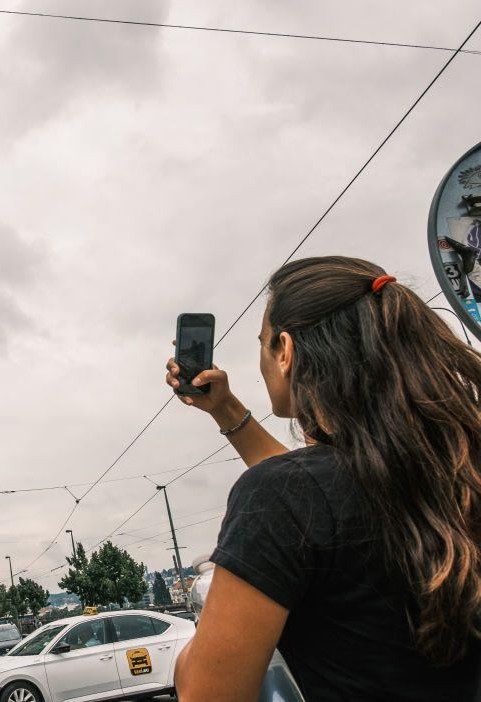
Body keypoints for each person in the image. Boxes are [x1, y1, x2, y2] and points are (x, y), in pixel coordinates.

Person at [164, 257, 481, 701]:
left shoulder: (285, 495)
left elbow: (206, 693)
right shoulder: (451, 468)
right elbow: (324, 495)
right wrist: (226, 409)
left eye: (262, 344)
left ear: (286, 351)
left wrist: (191, 652)